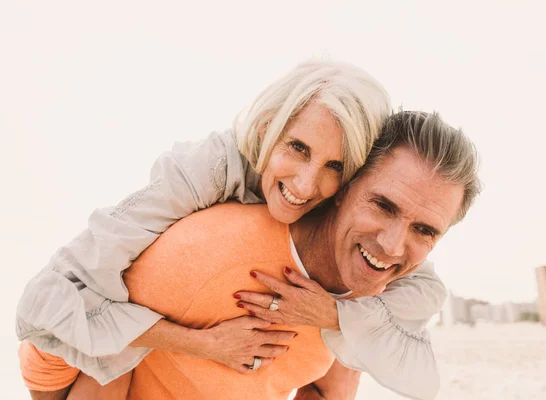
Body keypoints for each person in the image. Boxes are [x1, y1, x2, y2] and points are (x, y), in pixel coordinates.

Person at [16, 60, 449, 397]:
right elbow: (44, 305)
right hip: (60, 359)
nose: (304, 184)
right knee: (106, 369)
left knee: (346, 366)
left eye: (334, 166)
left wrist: (331, 313)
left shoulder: (353, 222)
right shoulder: (205, 169)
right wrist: (203, 342)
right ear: (267, 129)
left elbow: (422, 292)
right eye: (297, 148)